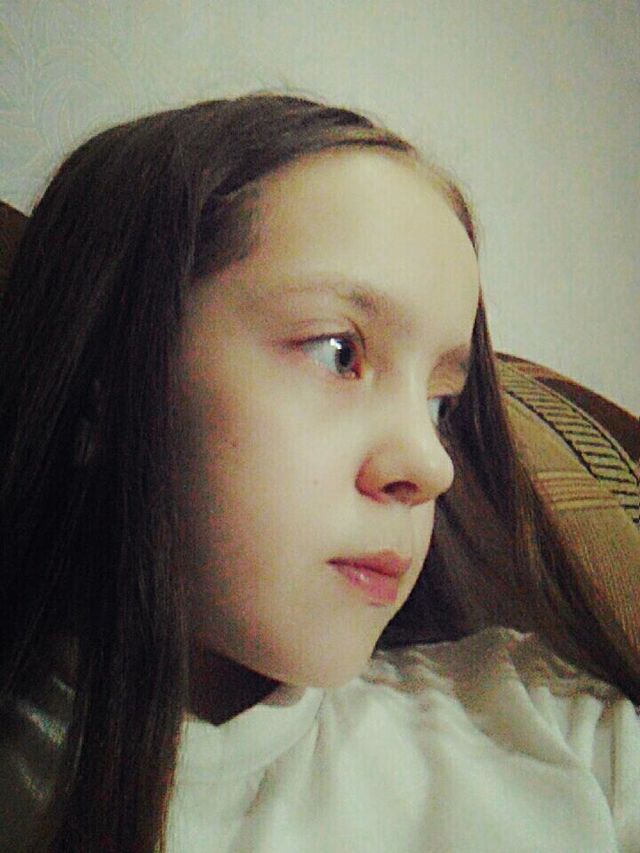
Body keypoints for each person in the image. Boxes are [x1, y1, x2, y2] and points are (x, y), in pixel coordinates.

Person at [0, 93, 638, 853]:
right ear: (99, 391)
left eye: (441, 404)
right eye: (340, 353)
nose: (431, 464)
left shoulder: (557, 729)